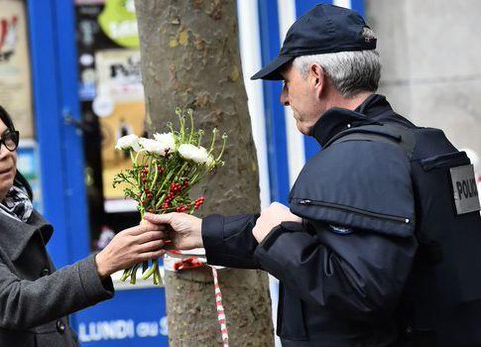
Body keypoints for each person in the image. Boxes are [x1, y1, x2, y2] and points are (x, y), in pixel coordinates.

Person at [145, 4, 481, 346]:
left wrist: (278, 237)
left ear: (316, 77)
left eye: (287, 82)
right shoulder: (418, 144)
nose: (284, 98)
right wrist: (206, 233)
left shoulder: (358, 157)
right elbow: (330, 242)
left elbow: (360, 290)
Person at [0, 99, 166, 346]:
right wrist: (102, 263)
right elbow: (14, 304)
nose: (5, 153)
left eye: (7, 139)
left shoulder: (12, 213)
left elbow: (53, 324)